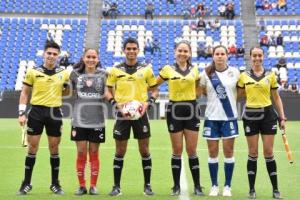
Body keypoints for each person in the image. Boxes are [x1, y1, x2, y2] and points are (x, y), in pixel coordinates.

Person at [106, 37, 158, 196]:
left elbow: (155, 90)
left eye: (134, 48)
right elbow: (108, 90)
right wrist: (116, 105)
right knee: (120, 151)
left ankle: (147, 185)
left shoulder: (146, 69)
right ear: (124, 50)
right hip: (122, 115)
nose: (131, 51)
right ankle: (116, 186)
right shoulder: (115, 70)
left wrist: (148, 103)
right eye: (128, 48)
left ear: (138, 50)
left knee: (144, 149)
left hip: (140, 114)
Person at [17, 41, 70, 195]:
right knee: (32, 148)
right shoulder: (33, 72)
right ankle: (26, 183)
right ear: (44, 54)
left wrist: (64, 89)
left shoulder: (64, 73)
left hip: (54, 112)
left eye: (54, 54)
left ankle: (55, 184)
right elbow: (25, 93)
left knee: (54, 148)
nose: (51, 56)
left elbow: (65, 93)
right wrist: (21, 113)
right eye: (49, 53)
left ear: (58, 56)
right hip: (36, 112)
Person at [237, 47, 286, 199]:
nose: (257, 58)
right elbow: (237, 96)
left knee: (269, 153)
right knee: (253, 153)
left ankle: (276, 189)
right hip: (251, 115)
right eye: (254, 55)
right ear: (250, 57)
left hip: (268, 115)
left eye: (259, 55)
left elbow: (276, 97)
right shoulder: (243, 76)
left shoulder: (271, 75)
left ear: (263, 57)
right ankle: (252, 190)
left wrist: (282, 117)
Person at [156, 40, 204, 196]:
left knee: (191, 150)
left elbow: (199, 89)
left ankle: (197, 186)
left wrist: (194, 96)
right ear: (175, 52)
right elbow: (153, 85)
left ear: (189, 53)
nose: (182, 53)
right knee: (176, 150)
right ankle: (176, 186)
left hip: (191, 109)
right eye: (180, 50)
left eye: (185, 51)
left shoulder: (195, 69)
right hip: (174, 109)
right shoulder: (167, 69)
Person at [199, 45, 240, 197]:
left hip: (229, 117)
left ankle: (227, 186)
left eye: (223, 54)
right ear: (213, 56)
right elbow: (202, 90)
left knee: (228, 152)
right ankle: (214, 185)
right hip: (211, 118)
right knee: (212, 152)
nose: (220, 56)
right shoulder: (207, 73)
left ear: (227, 55)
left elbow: (240, 91)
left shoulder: (235, 72)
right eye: (217, 54)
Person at [69, 48, 107, 195]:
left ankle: (93, 186)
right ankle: (82, 186)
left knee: (94, 152)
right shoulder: (74, 74)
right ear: (83, 58)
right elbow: (67, 92)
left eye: (94, 57)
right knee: (81, 152)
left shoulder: (105, 75)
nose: (91, 59)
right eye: (88, 57)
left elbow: (110, 92)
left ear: (97, 59)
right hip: (79, 120)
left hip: (97, 120)